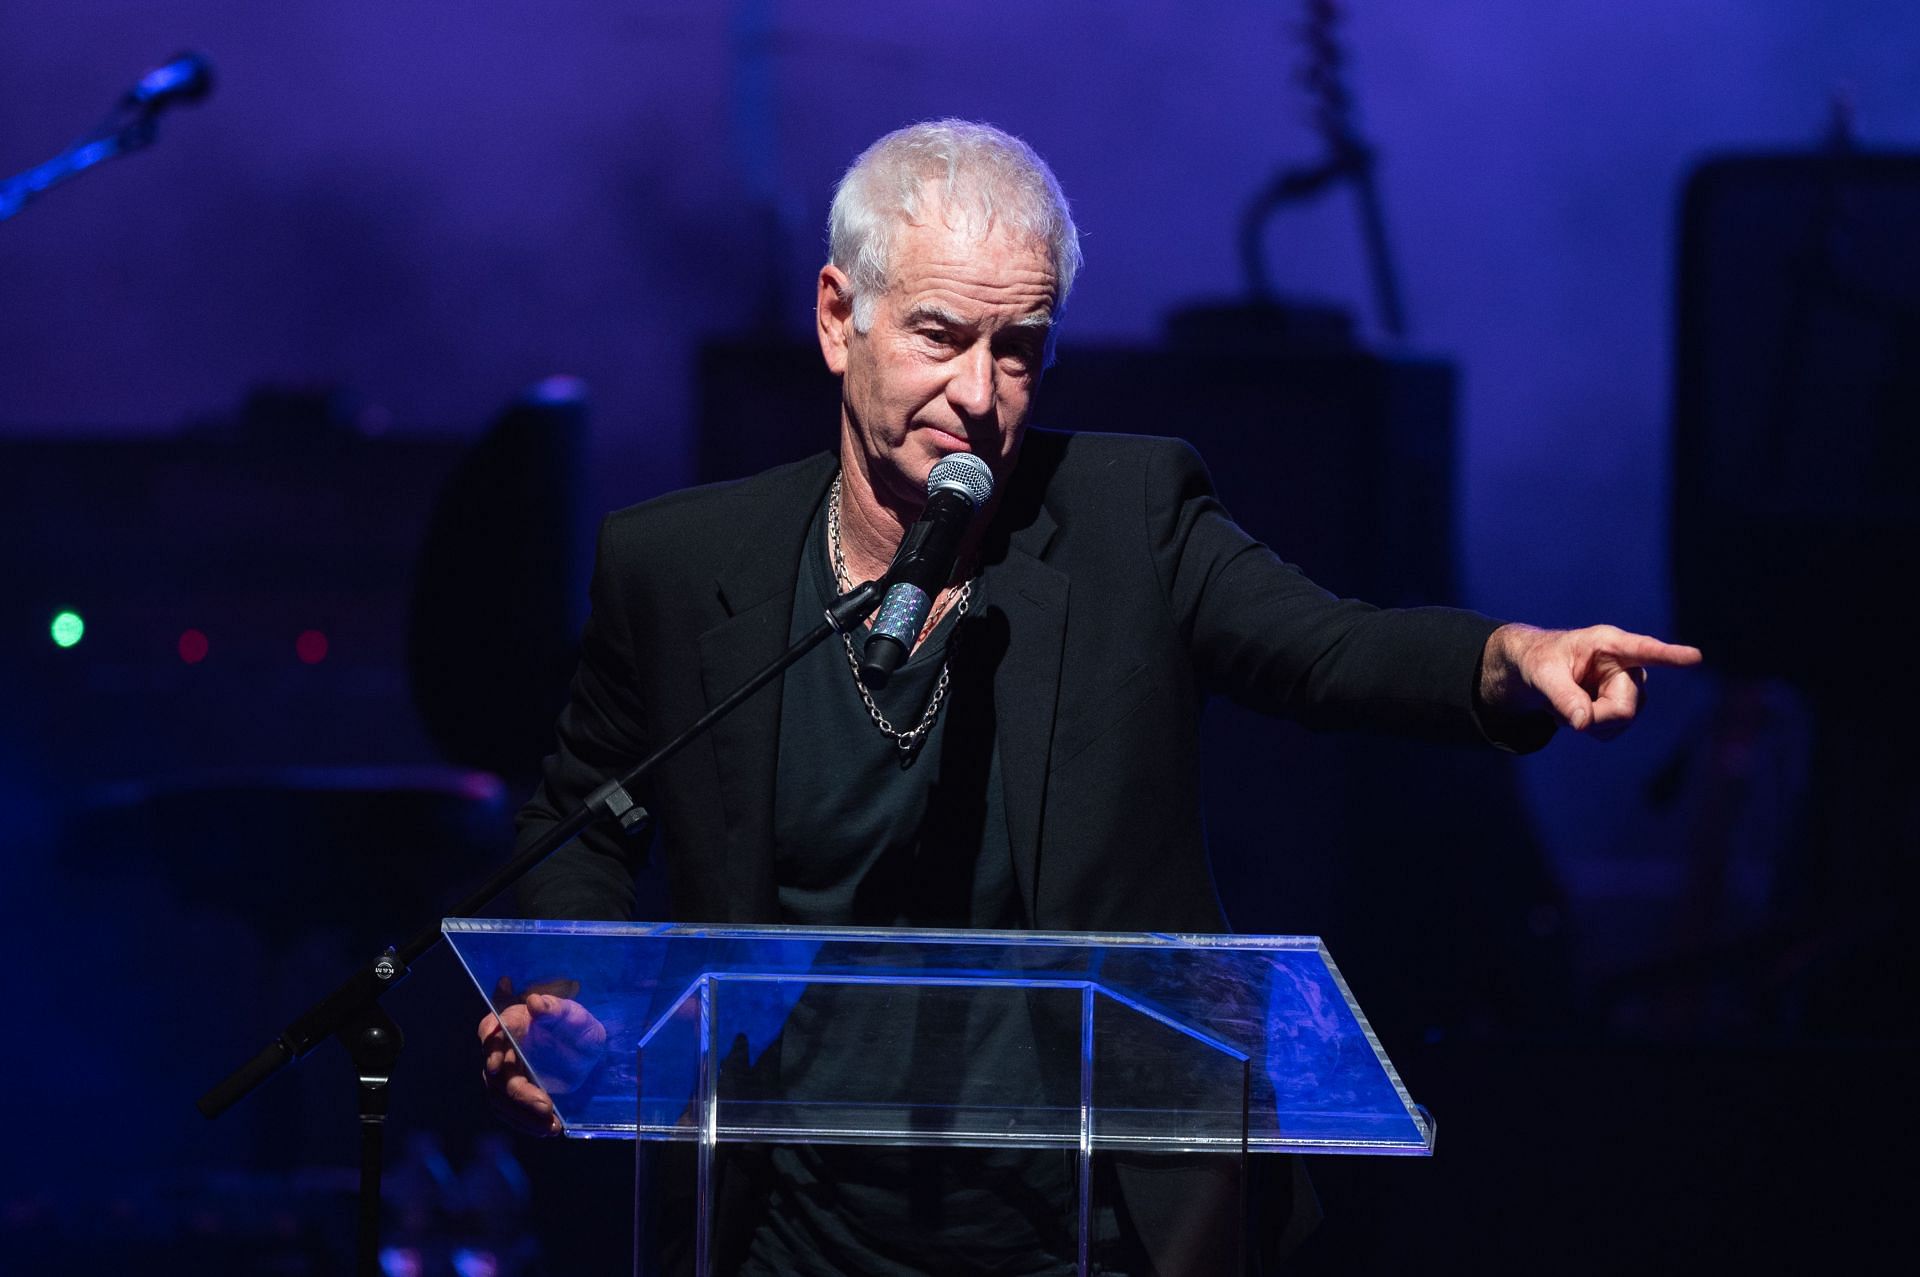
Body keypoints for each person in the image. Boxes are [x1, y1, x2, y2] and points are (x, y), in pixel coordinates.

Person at [479, 119, 1701, 1273]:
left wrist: (1510, 656)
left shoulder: (1131, 520)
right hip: (783, 1227)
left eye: (1019, 349)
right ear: (837, 317)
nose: (981, 393)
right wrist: (565, 1004)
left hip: (1087, 1227)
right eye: (943, 335)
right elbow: (587, 814)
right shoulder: (683, 566)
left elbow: (1329, 648)